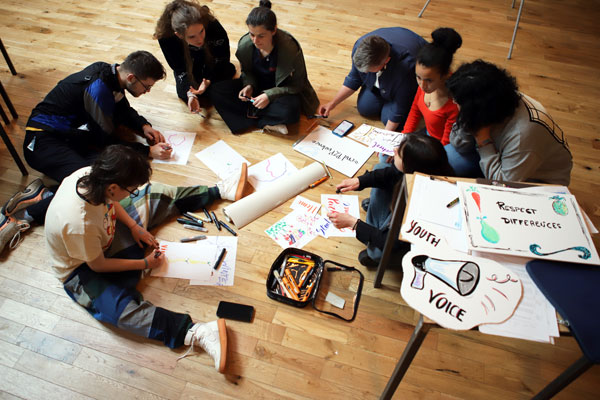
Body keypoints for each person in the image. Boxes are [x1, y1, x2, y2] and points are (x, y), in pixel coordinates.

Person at [43, 144, 249, 368]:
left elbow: (113, 204)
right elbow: (99, 266)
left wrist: (134, 226)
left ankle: (218, 191)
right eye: (131, 189)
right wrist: (144, 263)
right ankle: (197, 333)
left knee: (154, 194)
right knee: (121, 311)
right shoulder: (79, 223)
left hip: (103, 239)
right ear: (113, 187)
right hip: (82, 268)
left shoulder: (89, 176)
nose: (133, 192)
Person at [6, 51, 174, 236]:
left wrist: (143, 125)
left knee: (110, 172)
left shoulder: (112, 73)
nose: (147, 91)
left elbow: (122, 107)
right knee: (92, 185)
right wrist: (147, 151)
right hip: (42, 143)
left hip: (68, 137)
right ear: (132, 77)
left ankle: (43, 193)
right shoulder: (98, 91)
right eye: (147, 86)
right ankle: (23, 216)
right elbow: (105, 141)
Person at [328, 134, 454, 267]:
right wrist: (360, 181)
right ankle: (374, 230)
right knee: (380, 168)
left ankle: (380, 250)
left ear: (410, 167)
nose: (394, 150)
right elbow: (391, 174)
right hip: (402, 211)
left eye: (399, 153)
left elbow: (391, 242)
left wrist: (353, 223)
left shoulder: (421, 205)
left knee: (376, 253)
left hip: (408, 244)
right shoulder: (427, 172)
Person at [446, 60, 573, 185]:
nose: (454, 104)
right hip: (501, 153)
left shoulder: (522, 135)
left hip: (537, 180)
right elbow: (458, 144)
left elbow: (503, 184)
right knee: (449, 159)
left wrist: (483, 141)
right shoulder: (492, 101)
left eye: (457, 102)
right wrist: (469, 122)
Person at [209, 0, 319, 134]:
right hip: (257, 88)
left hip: (280, 90)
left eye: (261, 36)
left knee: (291, 109)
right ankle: (267, 121)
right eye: (252, 34)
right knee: (216, 90)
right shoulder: (245, 45)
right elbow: (247, 71)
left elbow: (297, 85)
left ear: (274, 30)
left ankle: (253, 117)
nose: (255, 41)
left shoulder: (290, 49)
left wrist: (269, 95)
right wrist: (249, 85)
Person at [401, 27, 480, 177]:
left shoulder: (454, 103)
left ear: (444, 75)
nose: (422, 86)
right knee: (390, 156)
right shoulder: (424, 86)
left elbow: (445, 142)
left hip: (443, 146)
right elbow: (414, 111)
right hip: (428, 137)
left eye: (429, 80)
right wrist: (403, 138)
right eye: (418, 77)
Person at [318, 27, 426, 132]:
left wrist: (385, 136)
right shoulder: (359, 48)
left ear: (386, 61)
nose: (364, 73)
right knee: (366, 108)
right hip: (387, 74)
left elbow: (400, 106)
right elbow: (354, 78)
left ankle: (391, 96)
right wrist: (332, 103)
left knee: (388, 120)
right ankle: (385, 91)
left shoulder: (406, 66)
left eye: (369, 70)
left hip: (407, 80)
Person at [155, 0, 236, 114]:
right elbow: (178, 67)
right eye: (192, 36)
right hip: (189, 65)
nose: (199, 39)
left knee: (223, 80)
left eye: (202, 31)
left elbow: (222, 57)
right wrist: (190, 93)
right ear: (179, 35)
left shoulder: (213, 25)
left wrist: (208, 79)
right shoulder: (166, 37)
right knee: (185, 93)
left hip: (213, 61)